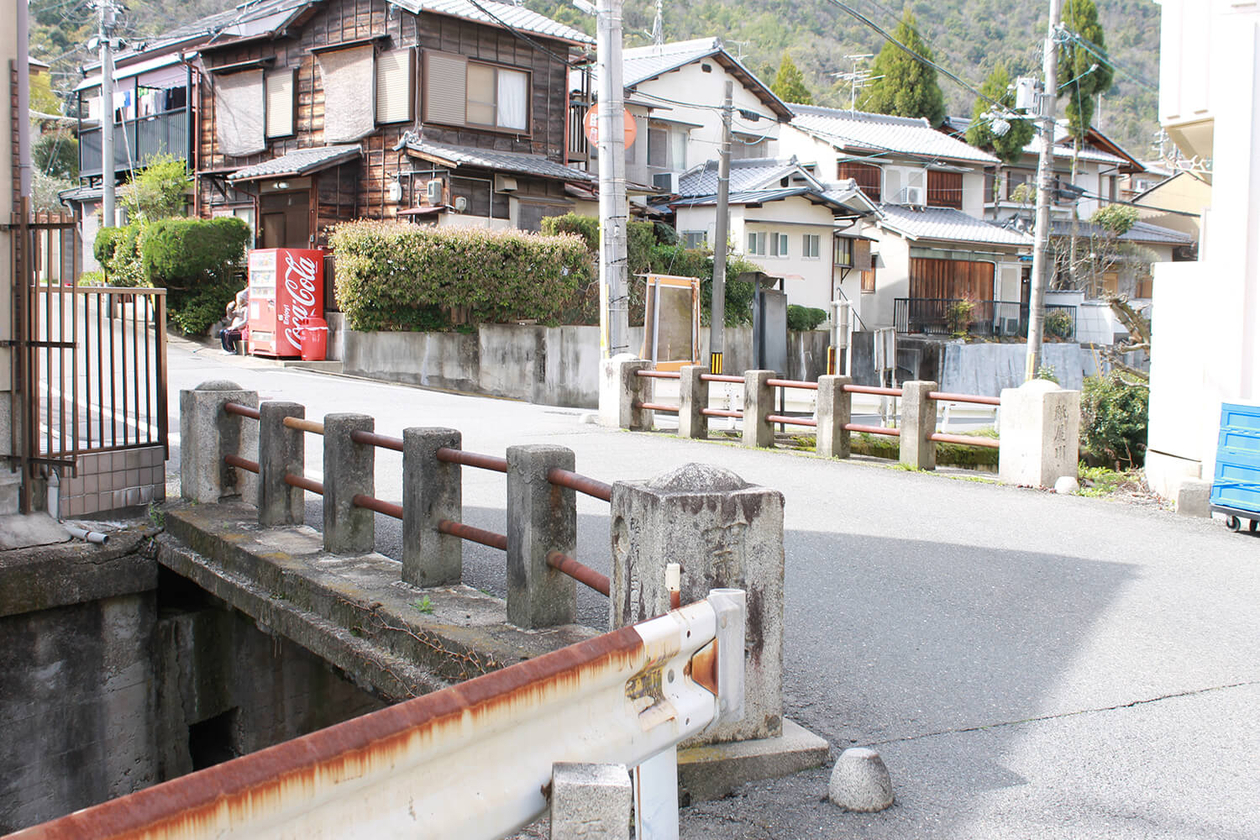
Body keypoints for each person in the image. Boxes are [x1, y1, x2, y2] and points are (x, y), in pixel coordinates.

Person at [219, 287, 249, 354]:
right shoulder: (238, 308)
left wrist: (235, 327)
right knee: (222, 332)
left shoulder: (246, 308)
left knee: (228, 333)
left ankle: (231, 350)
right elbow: (230, 317)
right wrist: (229, 309)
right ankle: (226, 349)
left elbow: (245, 321)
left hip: (241, 330)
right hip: (235, 328)